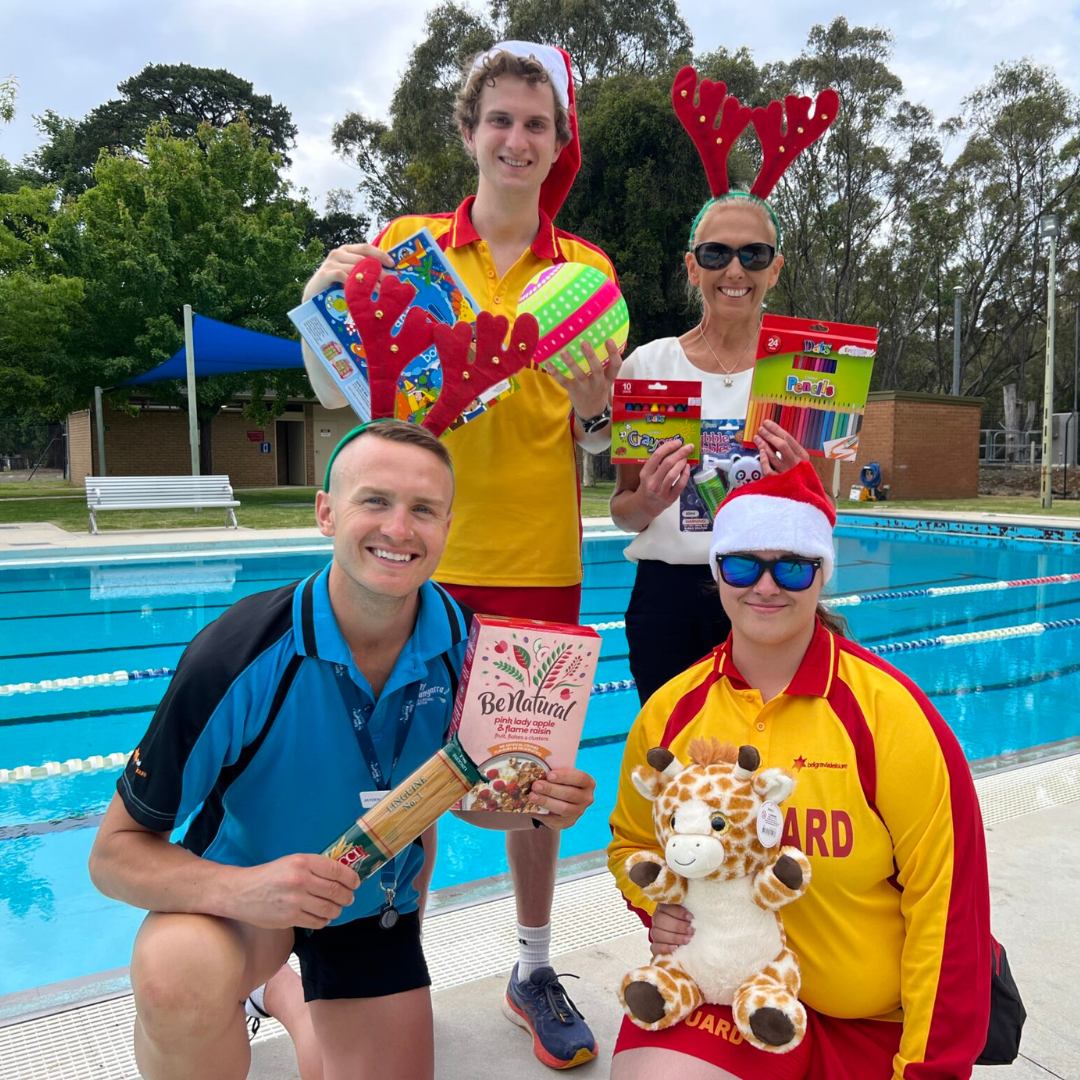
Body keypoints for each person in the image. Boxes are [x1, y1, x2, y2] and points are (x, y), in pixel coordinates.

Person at [87, 420, 597, 1080]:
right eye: (375, 501)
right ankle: (258, 976)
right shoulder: (237, 655)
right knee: (175, 973)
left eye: (424, 510)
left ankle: (289, 998)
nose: (399, 529)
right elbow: (113, 856)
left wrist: (539, 807)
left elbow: (472, 802)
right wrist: (248, 891)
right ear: (327, 512)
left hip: (371, 905)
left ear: (448, 527)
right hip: (245, 899)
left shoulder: (480, 657)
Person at [296, 41, 619, 1070]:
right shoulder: (403, 247)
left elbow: (603, 438)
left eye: (536, 124)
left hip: (534, 557)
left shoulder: (588, 273)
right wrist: (317, 302)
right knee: (398, 769)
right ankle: (390, 958)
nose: (516, 140)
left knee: (533, 775)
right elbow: (334, 388)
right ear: (471, 132)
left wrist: (594, 406)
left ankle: (530, 962)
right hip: (409, 553)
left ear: (556, 144)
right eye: (500, 121)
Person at [607, 461, 991, 1080]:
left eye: (792, 566)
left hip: (871, 1025)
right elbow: (631, 842)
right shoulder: (673, 712)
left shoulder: (887, 714)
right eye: (741, 565)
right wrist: (660, 910)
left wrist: (929, 1069)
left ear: (821, 575)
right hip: (728, 1002)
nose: (765, 586)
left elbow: (948, 907)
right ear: (717, 573)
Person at [611, 192, 810, 705]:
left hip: (766, 589)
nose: (735, 269)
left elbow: (820, 520)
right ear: (693, 267)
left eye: (754, 254)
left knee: (765, 759)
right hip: (666, 599)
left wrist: (797, 480)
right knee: (671, 756)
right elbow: (625, 513)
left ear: (776, 268)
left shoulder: (802, 369)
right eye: (716, 253)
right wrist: (651, 500)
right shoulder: (647, 366)